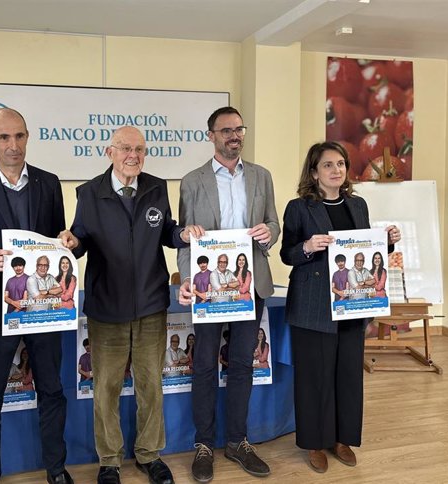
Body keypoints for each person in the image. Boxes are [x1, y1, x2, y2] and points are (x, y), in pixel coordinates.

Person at [60, 125, 203, 484]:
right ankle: (109, 460)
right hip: (107, 307)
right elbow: (81, 240)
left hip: (152, 304)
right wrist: (70, 241)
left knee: (150, 385)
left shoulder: (157, 186)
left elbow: (166, 230)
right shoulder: (90, 193)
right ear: (109, 152)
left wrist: (181, 234)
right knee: (105, 388)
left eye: (139, 149)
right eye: (125, 148)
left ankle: (149, 454)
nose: (133, 156)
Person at [0, 107, 72, 484]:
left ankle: (56, 470)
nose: (13, 145)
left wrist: (67, 242)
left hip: (45, 308)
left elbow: (57, 238)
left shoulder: (49, 183)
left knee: (52, 390)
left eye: (19, 136)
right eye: (4, 138)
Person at [280, 141, 401, 473]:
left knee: (348, 374)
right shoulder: (299, 207)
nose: (336, 170)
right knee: (314, 377)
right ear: (314, 172)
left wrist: (387, 240)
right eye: (328, 165)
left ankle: (342, 438)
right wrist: (306, 246)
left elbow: (366, 250)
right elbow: (286, 254)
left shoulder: (357, 205)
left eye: (341, 164)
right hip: (313, 305)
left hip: (352, 303)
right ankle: (314, 442)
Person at [177, 106, 280, 481]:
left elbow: (273, 221)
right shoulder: (192, 181)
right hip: (209, 291)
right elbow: (186, 240)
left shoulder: (261, 176)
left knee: (242, 364)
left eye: (239, 129)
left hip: (249, 286)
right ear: (211, 135)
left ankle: (237, 441)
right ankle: (204, 444)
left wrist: (270, 232)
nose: (234, 135)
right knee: (204, 365)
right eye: (226, 130)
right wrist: (188, 278)